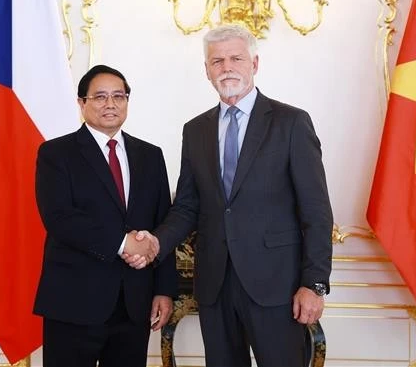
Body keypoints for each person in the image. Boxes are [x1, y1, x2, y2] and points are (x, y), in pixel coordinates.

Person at [125, 24, 334, 367]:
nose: (227, 67)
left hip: (277, 288)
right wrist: (155, 244)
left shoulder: (291, 123)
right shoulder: (195, 130)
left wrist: (314, 284)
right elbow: (188, 206)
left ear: (255, 63)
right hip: (215, 285)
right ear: (206, 70)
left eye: (236, 58)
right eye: (217, 61)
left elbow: (316, 210)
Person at [33, 64, 176, 367]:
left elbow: (163, 222)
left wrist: (164, 290)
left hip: (134, 304)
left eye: (118, 96)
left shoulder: (151, 155)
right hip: (74, 302)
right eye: (99, 97)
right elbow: (59, 218)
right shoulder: (56, 154)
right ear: (81, 103)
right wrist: (124, 244)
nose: (110, 104)